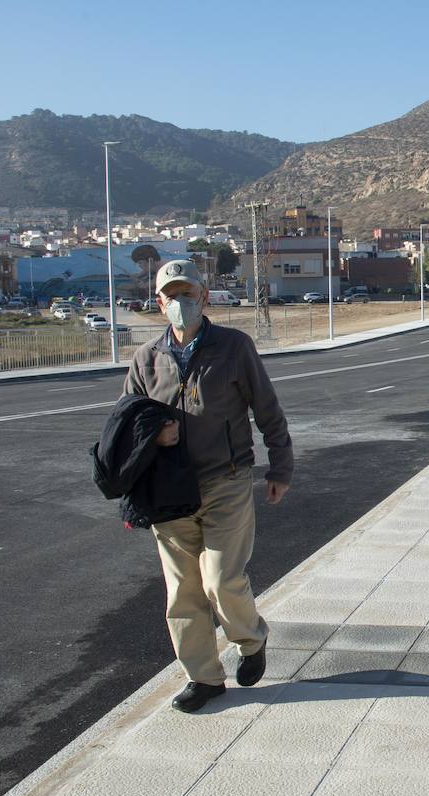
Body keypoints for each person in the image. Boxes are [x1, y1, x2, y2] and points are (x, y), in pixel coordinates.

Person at [123, 259, 293, 712]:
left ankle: (250, 639)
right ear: (159, 303)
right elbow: (127, 425)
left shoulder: (234, 347)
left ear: (203, 296)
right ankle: (203, 677)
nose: (181, 303)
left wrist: (280, 469)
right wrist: (153, 438)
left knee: (221, 579)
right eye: (172, 296)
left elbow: (268, 410)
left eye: (188, 294)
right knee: (182, 593)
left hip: (226, 480)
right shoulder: (146, 359)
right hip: (170, 493)